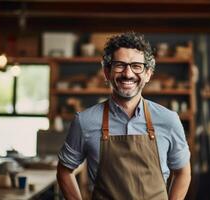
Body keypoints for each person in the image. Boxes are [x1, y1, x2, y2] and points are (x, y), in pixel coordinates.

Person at [57, 32, 191, 200]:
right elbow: (64, 171)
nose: (128, 74)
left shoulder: (169, 120)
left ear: (148, 74)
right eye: (120, 65)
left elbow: (183, 172)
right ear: (107, 72)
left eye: (136, 66)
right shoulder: (84, 121)